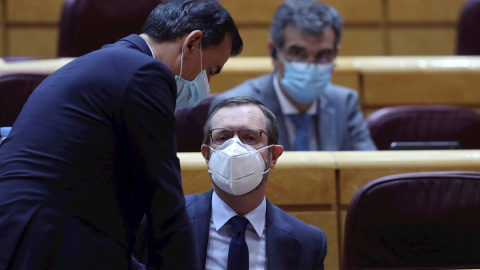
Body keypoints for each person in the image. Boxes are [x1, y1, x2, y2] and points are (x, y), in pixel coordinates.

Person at [0, 0, 242, 269]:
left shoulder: (106, 61)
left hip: (27, 229)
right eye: (210, 70)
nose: (206, 85)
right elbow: (164, 199)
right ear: (192, 43)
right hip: (45, 239)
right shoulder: (145, 74)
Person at [210, 0, 376, 151]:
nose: (311, 64)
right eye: (298, 53)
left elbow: (368, 170)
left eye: (323, 54)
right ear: (274, 52)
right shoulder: (234, 109)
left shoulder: (344, 104)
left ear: (335, 54)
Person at [185, 96, 327, 269]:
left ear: (273, 155)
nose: (234, 149)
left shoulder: (307, 242)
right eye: (223, 138)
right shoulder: (165, 221)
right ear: (207, 155)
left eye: (250, 137)